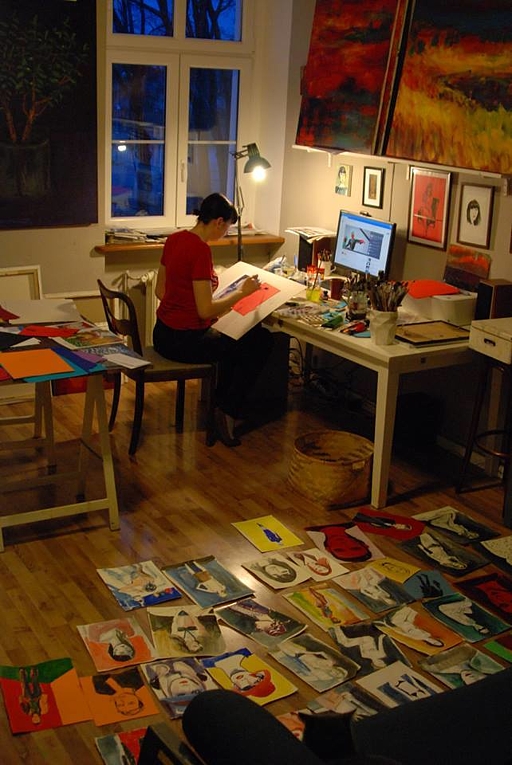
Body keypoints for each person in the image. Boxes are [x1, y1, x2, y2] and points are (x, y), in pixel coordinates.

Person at [153, 192, 274, 446]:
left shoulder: (174, 239)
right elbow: (205, 312)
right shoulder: (200, 250)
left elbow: (160, 291)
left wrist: (190, 300)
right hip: (183, 341)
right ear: (219, 222)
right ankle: (227, 411)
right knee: (261, 340)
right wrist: (242, 293)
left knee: (235, 341)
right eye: (227, 228)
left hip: (162, 333)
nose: (226, 233)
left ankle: (219, 405)